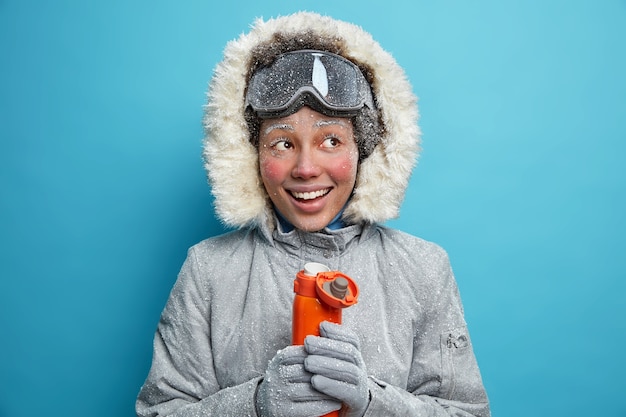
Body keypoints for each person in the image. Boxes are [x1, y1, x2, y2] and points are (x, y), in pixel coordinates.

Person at [136, 11, 490, 417]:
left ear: (365, 150)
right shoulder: (208, 271)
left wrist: (373, 401)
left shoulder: (423, 269)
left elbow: (468, 414)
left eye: (331, 140)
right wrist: (254, 404)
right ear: (250, 155)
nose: (305, 168)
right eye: (282, 143)